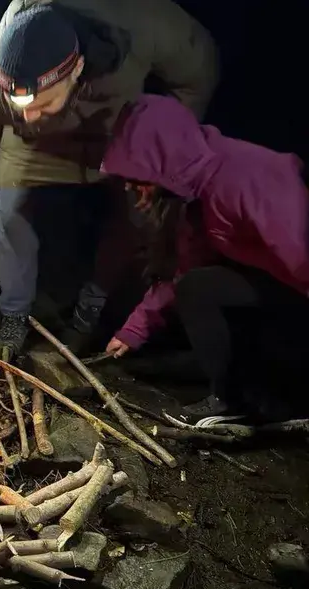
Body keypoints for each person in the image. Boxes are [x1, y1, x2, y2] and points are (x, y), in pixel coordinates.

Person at [0, 0, 218, 355]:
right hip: (31, 145)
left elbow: (199, 69)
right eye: (21, 105)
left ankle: (91, 306)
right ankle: (14, 317)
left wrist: (164, 139)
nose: (32, 114)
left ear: (76, 68)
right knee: (11, 212)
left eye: (41, 104)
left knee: (137, 216)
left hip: (110, 136)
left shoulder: (138, 25)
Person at [100, 94, 309, 420]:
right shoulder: (189, 193)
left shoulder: (247, 178)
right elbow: (181, 269)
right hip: (274, 281)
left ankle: (276, 396)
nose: (130, 187)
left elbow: (300, 253)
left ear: (164, 159)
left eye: (136, 175)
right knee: (197, 286)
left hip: (298, 284)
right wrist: (133, 331)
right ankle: (233, 399)